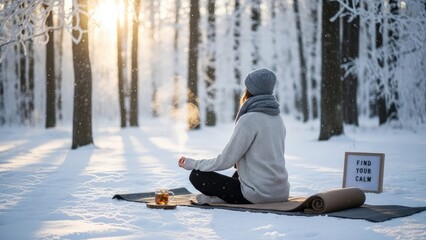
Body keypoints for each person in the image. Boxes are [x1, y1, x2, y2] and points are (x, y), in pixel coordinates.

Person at [178, 68, 289, 204]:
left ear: (251, 91)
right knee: (238, 175)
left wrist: (193, 163)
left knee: (197, 175)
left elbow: (225, 161)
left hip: (259, 195)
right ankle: (220, 198)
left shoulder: (249, 119)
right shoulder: (277, 118)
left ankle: (219, 199)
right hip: (280, 192)